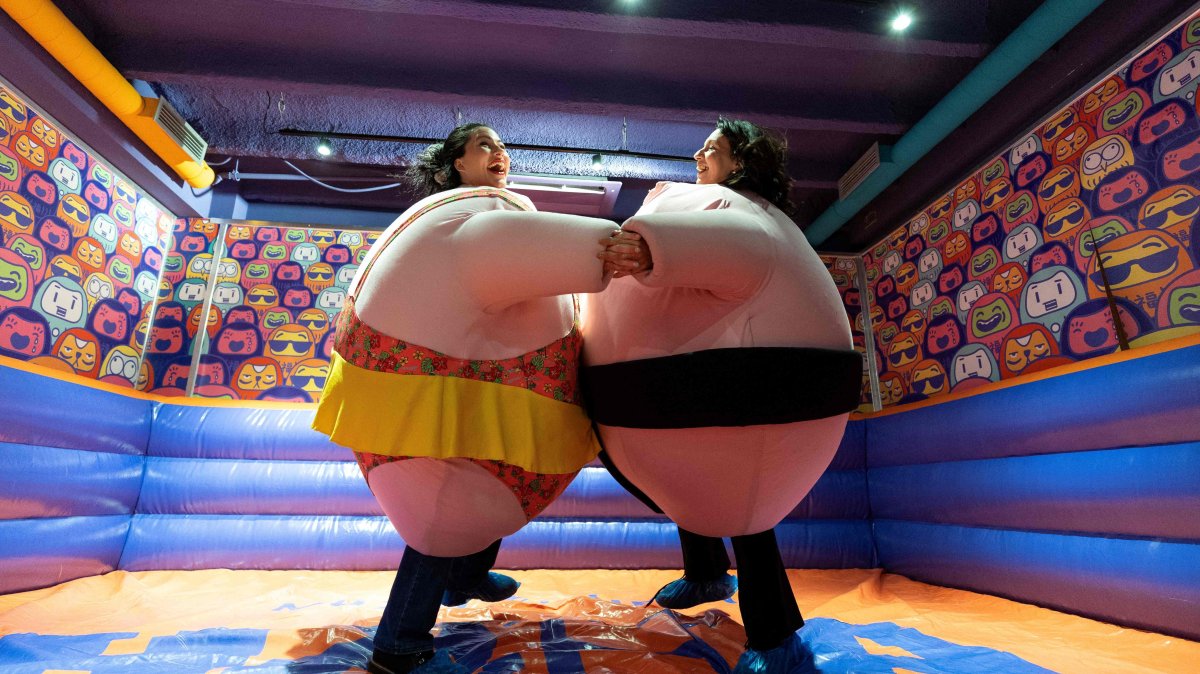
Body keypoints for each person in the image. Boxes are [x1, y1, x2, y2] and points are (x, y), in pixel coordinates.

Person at [312, 123, 649, 674]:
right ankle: (398, 641)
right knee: (441, 510)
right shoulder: (466, 219)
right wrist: (603, 249)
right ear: (456, 166)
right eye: (483, 146)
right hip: (438, 391)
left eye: (500, 144)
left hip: (482, 385)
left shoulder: (478, 214)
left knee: (487, 469)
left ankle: (466, 576)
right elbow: (503, 251)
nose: (499, 153)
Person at [587, 118, 861, 673]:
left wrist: (652, 249)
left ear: (741, 163)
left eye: (713, 148)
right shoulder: (704, 202)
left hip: (754, 391)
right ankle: (706, 572)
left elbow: (742, 253)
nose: (697, 153)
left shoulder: (749, 215)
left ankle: (776, 634)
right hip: (676, 394)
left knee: (745, 509)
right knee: (697, 478)